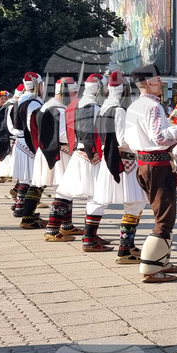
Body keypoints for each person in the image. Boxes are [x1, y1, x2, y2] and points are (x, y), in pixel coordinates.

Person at [126, 63, 177, 283]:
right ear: (148, 82)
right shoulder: (153, 107)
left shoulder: (134, 106)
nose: (161, 82)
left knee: (163, 214)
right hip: (157, 166)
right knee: (165, 219)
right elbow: (160, 139)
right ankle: (150, 269)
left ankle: (162, 260)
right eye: (158, 79)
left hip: (145, 164)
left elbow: (129, 140)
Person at [91, 70, 149, 261]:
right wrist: (142, 145)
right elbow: (123, 139)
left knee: (131, 203)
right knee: (135, 203)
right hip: (125, 162)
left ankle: (128, 246)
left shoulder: (104, 108)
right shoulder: (119, 110)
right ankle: (124, 249)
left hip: (111, 160)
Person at [48, 75, 103, 242]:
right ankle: (89, 239)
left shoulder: (74, 103)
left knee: (64, 192)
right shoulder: (92, 106)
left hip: (76, 151)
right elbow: (91, 133)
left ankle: (52, 230)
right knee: (96, 196)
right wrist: (94, 153)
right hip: (89, 153)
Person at [31, 78, 77, 223]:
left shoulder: (47, 105)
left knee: (63, 190)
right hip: (59, 153)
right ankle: (54, 227)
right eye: (74, 93)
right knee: (64, 191)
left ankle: (66, 225)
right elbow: (63, 135)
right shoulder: (59, 109)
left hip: (50, 150)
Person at [9, 73, 45, 228]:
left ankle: (20, 207)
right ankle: (26, 212)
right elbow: (34, 125)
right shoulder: (34, 102)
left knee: (25, 177)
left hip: (20, 141)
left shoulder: (19, 100)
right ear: (38, 84)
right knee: (34, 179)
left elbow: (11, 124)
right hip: (30, 142)